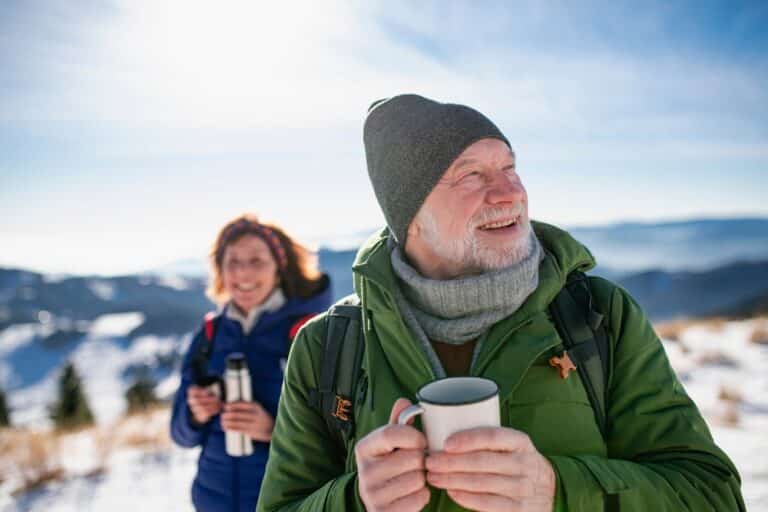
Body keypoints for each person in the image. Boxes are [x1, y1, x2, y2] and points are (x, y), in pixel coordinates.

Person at [257, 95, 745, 511]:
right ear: (410, 219)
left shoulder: (598, 317)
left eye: (510, 167)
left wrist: (557, 490)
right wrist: (354, 500)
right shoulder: (328, 346)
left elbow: (712, 494)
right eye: (470, 176)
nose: (510, 192)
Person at [171, 214, 332, 512]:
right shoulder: (209, 335)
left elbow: (336, 437)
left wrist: (274, 432)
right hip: (212, 500)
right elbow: (180, 435)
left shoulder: (309, 333)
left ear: (279, 269)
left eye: (256, 261)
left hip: (283, 501)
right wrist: (195, 415)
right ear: (220, 270)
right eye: (233, 262)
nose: (243, 273)